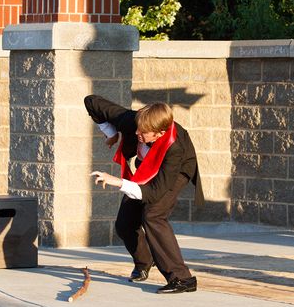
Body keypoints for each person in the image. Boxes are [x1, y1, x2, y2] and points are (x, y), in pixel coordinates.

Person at [84, 95, 204, 294]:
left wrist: (118, 182)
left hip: (175, 173)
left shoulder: (175, 150)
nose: (136, 133)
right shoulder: (132, 120)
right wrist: (110, 132)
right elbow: (92, 101)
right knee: (124, 224)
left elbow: (155, 191)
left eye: (143, 133)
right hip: (147, 167)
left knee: (153, 215)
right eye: (137, 128)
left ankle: (182, 279)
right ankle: (145, 261)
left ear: (159, 133)